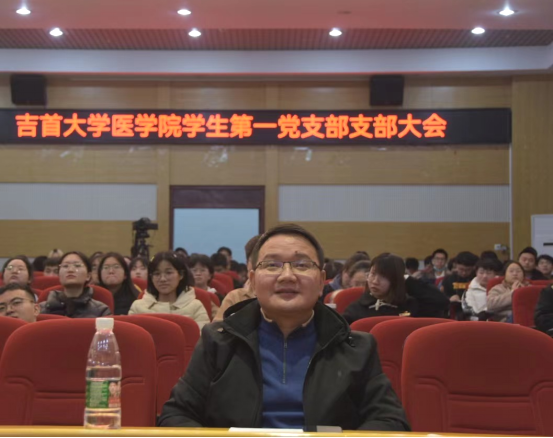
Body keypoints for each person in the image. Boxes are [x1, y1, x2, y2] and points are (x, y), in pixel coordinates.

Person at [159, 224, 410, 431]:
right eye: (272, 265)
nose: (287, 275)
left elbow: (390, 421)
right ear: (253, 280)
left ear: (321, 281)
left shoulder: (357, 348)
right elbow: (176, 415)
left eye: (302, 265)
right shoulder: (218, 342)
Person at [343, 254, 449, 324]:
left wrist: (407, 280)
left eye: (383, 276)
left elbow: (441, 301)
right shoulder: (356, 309)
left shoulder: (411, 306)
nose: (375, 281)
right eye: (373, 274)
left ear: (396, 279)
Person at [129, 252, 209, 330]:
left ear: (181, 275)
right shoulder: (137, 307)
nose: (163, 279)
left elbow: (202, 337)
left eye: (168, 273)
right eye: (157, 274)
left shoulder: (195, 307)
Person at [40, 252, 112, 318]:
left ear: (88, 276)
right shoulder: (41, 309)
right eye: (65, 266)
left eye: (77, 266)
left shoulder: (101, 310)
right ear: (59, 275)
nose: (70, 270)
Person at [213, 235, 260, 322]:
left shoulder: (285, 296)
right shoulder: (235, 297)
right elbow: (217, 328)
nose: (259, 265)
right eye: (255, 260)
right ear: (247, 264)